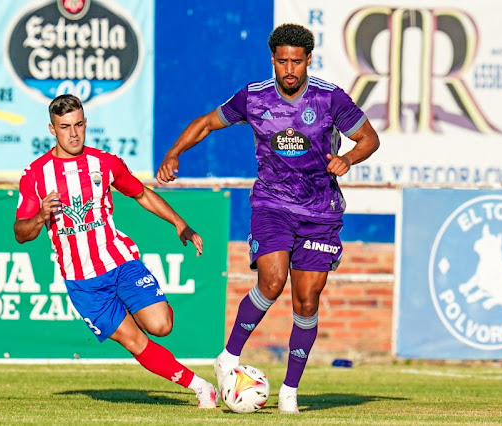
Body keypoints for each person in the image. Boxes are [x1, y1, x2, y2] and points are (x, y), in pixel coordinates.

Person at [156, 23, 380, 414]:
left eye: (296, 61)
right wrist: (175, 152)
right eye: (282, 61)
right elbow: (208, 122)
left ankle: (290, 390)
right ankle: (228, 357)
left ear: (308, 59)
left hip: (320, 212)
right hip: (273, 205)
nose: (289, 69)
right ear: (272, 60)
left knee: (307, 301)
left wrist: (347, 158)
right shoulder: (254, 98)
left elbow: (370, 139)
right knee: (272, 280)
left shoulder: (330, 99)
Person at [13, 94, 217, 409]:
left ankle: (141, 303)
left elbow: (142, 194)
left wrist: (180, 224)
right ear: (52, 130)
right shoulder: (36, 175)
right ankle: (202, 387)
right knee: (135, 342)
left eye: (79, 124)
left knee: (161, 325)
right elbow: (21, 234)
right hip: (83, 283)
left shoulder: (104, 163)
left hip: (119, 262)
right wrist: (40, 216)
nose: (74, 133)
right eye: (65, 127)